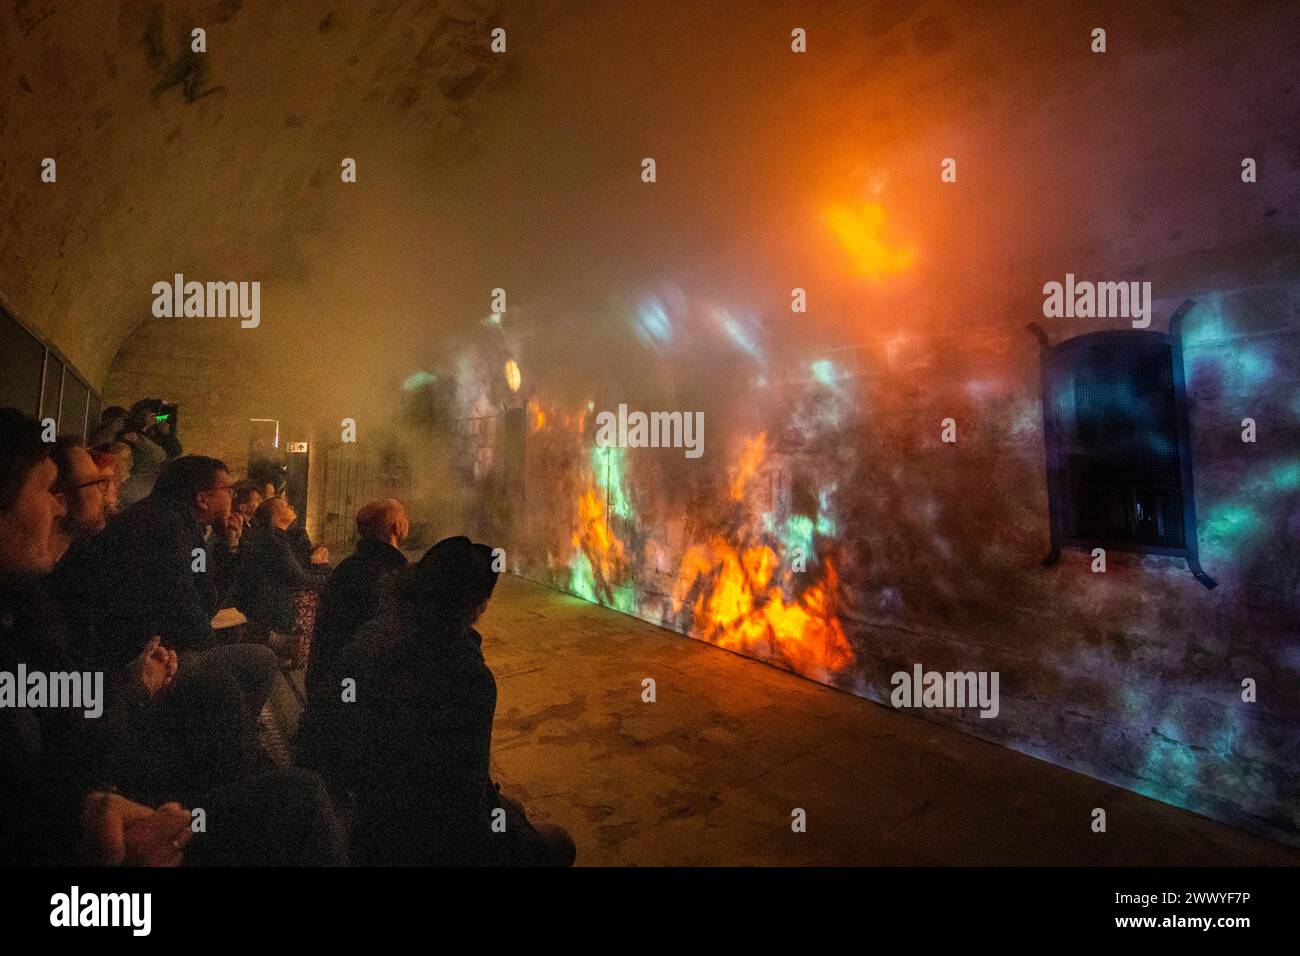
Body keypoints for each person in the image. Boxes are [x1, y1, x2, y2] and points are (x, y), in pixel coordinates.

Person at [0, 408, 343, 866]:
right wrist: (136, 686)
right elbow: (184, 616)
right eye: (51, 489)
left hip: (100, 745)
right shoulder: (157, 530)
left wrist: (229, 547)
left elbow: (203, 599)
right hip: (106, 752)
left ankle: (237, 784)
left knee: (235, 684)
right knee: (230, 691)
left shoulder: (33, 592)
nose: (62, 505)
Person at [322, 536, 575, 866]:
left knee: (512, 810)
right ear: (476, 606)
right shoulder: (463, 674)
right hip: (418, 842)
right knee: (559, 843)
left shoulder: (378, 631)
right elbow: (463, 805)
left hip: (368, 821)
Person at [305, 498, 408, 705]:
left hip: (326, 681)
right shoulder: (394, 577)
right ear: (398, 527)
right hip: (353, 695)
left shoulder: (347, 568)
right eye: (404, 517)